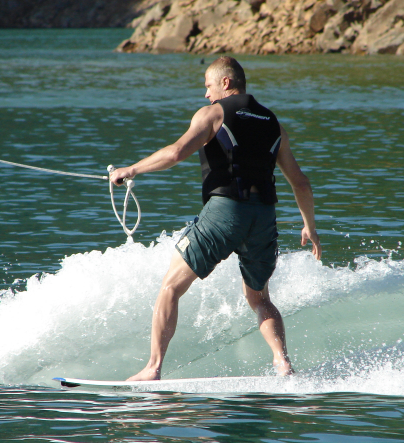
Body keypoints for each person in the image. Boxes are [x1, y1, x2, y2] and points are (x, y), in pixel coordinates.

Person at [110, 56, 321, 381]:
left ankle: (153, 368)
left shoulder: (214, 113)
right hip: (264, 216)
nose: (206, 95)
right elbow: (301, 182)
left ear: (225, 82)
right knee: (260, 298)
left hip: (227, 210)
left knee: (170, 286)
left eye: (208, 86)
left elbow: (177, 152)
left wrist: (131, 169)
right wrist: (310, 226)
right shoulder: (273, 124)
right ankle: (283, 364)